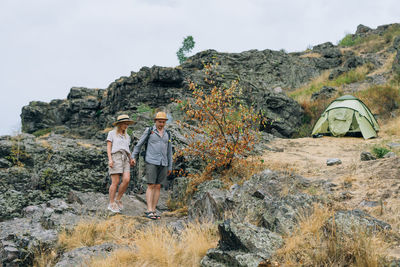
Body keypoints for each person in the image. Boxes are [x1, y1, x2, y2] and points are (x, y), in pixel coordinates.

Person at [132, 111, 172, 220]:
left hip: (163, 163)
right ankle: (149, 210)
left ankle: (154, 210)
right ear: (155, 121)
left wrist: (170, 166)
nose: (161, 124)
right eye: (159, 121)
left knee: (158, 186)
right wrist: (133, 157)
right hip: (151, 161)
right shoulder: (149, 131)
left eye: (163, 122)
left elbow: (169, 151)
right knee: (151, 185)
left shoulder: (167, 133)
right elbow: (139, 144)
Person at [106, 114, 135, 213]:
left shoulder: (127, 136)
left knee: (126, 180)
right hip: (116, 157)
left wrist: (131, 158)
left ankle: (118, 199)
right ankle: (111, 202)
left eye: (127, 124)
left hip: (125, 158)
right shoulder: (112, 133)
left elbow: (127, 149)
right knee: (115, 181)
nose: (126, 126)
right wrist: (110, 159)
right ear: (119, 124)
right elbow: (109, 147)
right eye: (124, 124)